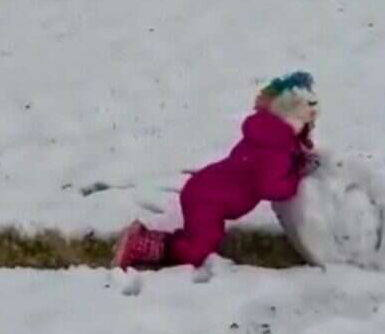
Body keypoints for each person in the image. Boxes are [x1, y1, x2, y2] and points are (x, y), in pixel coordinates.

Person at [112, 71, 319, 270]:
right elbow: (270, 186)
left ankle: (146, 238)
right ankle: (139, 246)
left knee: (198, 238)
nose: (307, 128)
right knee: (197, 251)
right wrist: (296, 177)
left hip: (207, 192)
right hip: (207, 200)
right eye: (304, 123)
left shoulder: (267, 138)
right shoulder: (273, 149)